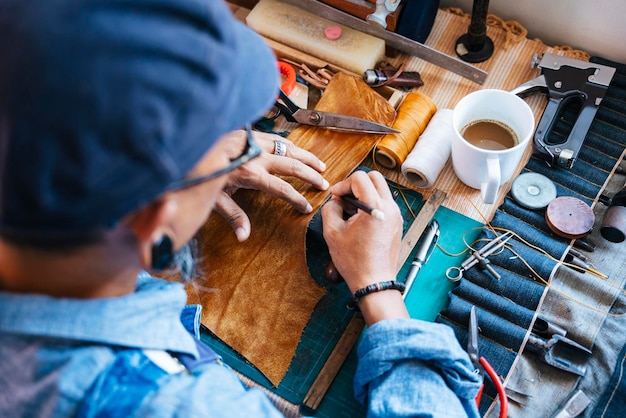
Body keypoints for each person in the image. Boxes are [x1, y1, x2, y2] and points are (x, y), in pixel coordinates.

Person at [0, 0, 481, 416]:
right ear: (152, 220)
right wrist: (380, 292)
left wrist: (195, 161)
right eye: (225, 152)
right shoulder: (166, 404)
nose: (245, 148)